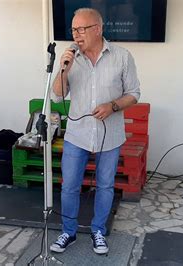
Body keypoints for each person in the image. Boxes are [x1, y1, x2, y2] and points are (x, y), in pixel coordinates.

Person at [50, 8, 140, 255]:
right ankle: (68, 232)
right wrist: (63, 68)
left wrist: (112, 106)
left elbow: (134, 93)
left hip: (109, 135)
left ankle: (98, 230)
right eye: (73, 30)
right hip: (77, 135)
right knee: (69, 186)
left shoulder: (122, 56)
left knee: (105, 185)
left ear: (98, 29)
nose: (77, 35)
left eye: (82, 29)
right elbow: (57, 96)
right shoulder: (70, 58)